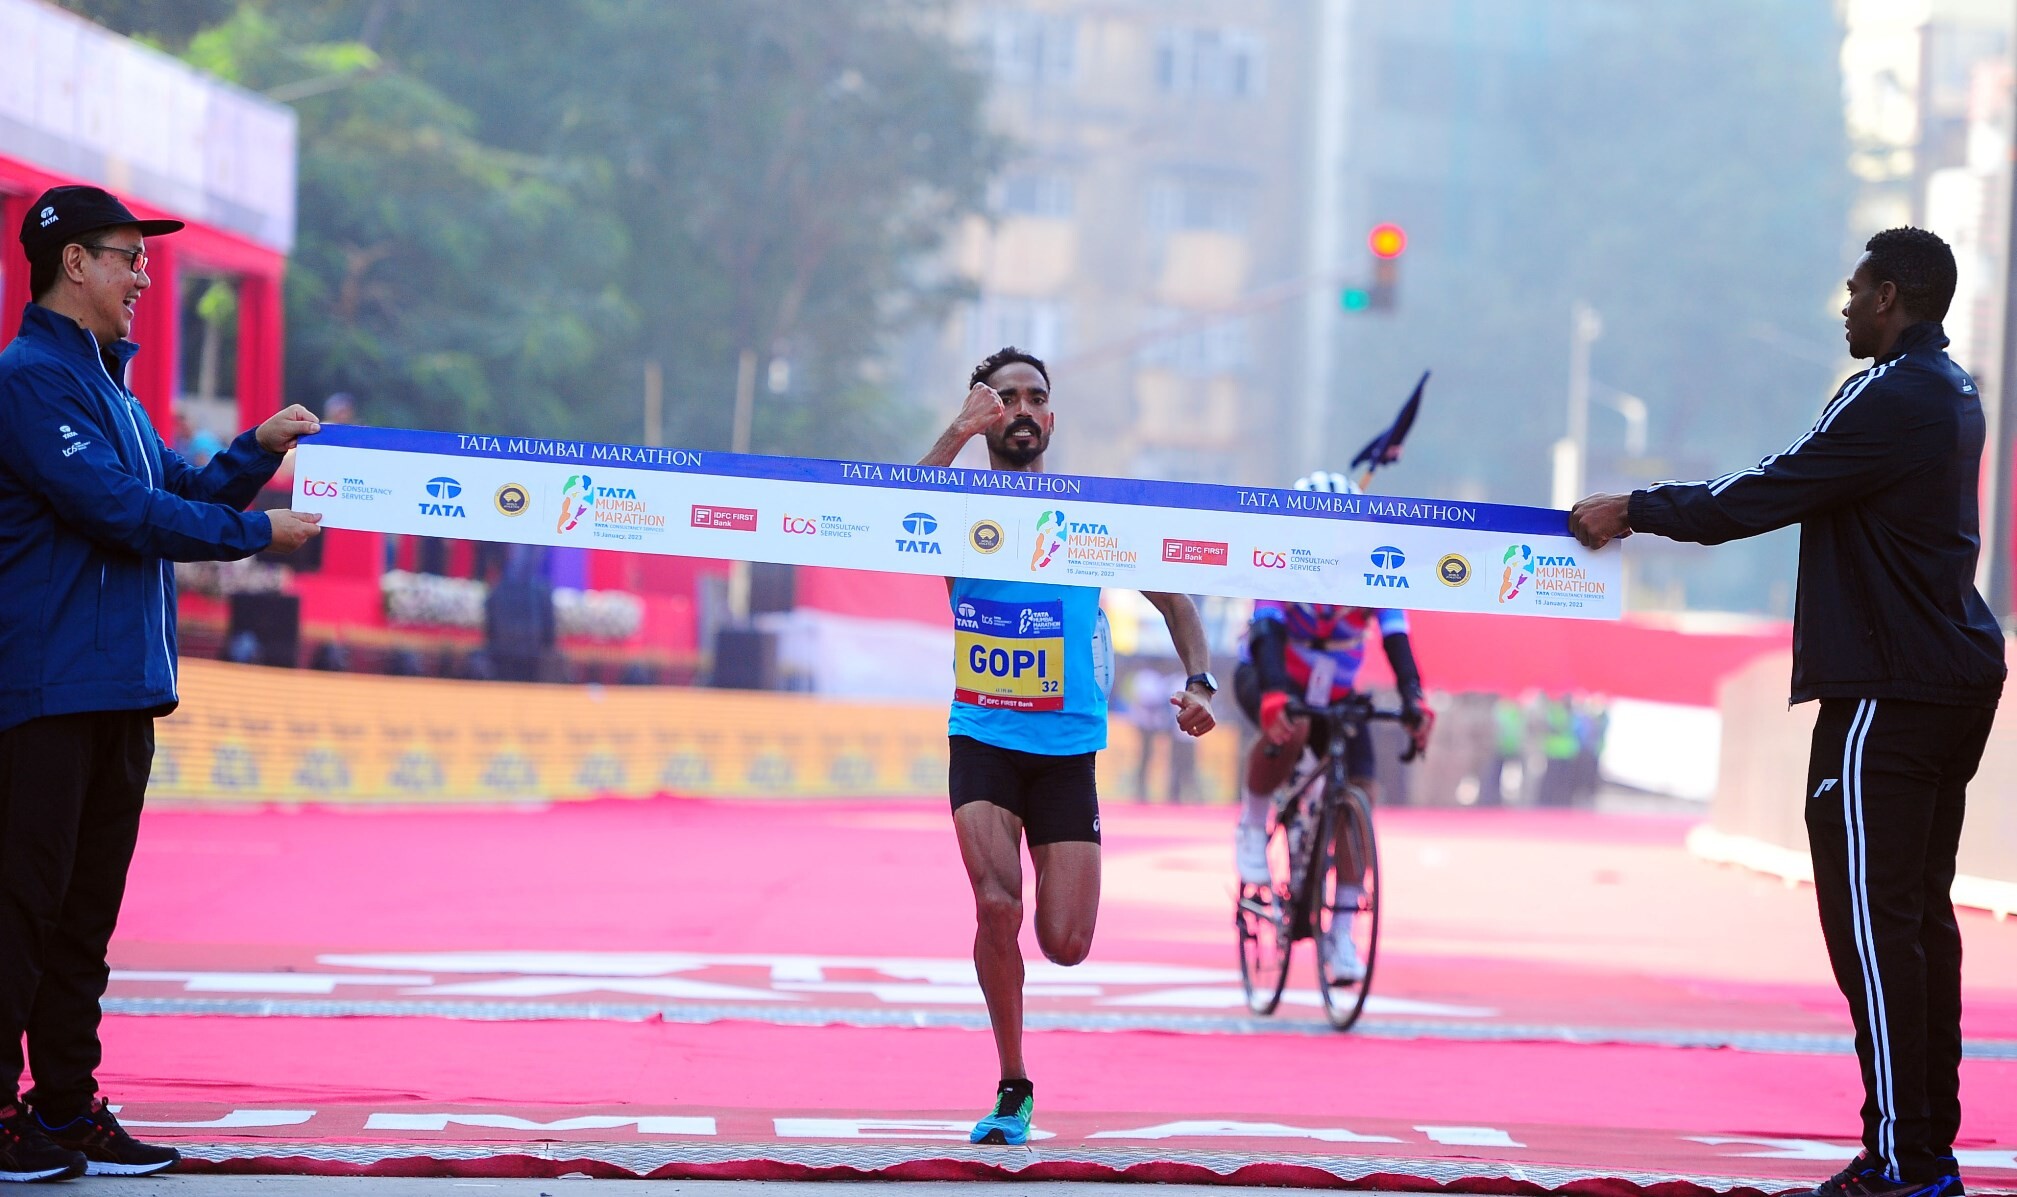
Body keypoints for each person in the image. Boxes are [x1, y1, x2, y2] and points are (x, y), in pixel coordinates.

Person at [1570, 227, 2004, 1197]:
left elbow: (1769, 489)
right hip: (1942, 678)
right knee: (1916, 927)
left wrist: (1636, 508)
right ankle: (1921, 1153)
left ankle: (1902, 1161)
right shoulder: (1951, 388)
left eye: (1853, 289)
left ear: (1887, 296)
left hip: (1886, 691)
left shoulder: (1890, 393)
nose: (1842, 306)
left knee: (1875, 934)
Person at [0, 185, 324, 1182]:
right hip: (47, 690)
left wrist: (256, 451)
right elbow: (116, 510)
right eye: (128, 257)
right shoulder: (28, 381)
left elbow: (175, 489)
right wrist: (255, 532)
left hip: (120, 689)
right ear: (73, 264)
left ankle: (64, 1107)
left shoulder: (110, 389)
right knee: (21, 910)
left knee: (83, 919)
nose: (145, 276)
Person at [918, 346, 1216, 1146]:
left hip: (1066, 748)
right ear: (982, 412)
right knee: (995, 903)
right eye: (1002, 398)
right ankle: (1013, 1080)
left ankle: (1052, 899)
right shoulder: (954, 513)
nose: (1019, 408)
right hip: (982, 734)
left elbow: (1177, 603)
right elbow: (894, 511)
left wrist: (1200, 681)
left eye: (1033, 397)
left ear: (1049, 419)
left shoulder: (1089, 518)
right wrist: (955, 432)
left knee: (1065, 942)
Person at [1232, 471, 1433, 982]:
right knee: (1293, 724)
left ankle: (1341, 935)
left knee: (1360, 796)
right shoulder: (1278, 561)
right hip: (1269, 674)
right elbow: (1266, 630)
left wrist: (1413, 699)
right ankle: (1253, 824)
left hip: (1338, 695)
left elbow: (1396, 637)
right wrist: (1275, 694)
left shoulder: (1374, 568)